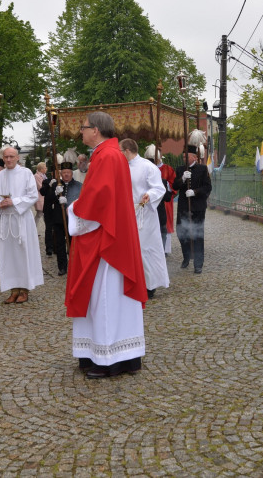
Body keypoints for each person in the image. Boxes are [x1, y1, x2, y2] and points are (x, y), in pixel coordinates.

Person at [66, 111, 146, 379]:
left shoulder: (107, 156)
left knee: (106, 297)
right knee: (106, 297)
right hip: (112, 235)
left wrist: (73, 209)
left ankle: (110, 357)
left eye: (83, 127)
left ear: (96, 130)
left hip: (107, 243)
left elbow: (98, 201)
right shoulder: (109, 153)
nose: (81, 131)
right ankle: (104, 353)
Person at [0, 146, 44, 304]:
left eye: (11, 156)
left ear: (18, 157)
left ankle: (24, 290)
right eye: (6, 157)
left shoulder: (26, 173)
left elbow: (33, 195)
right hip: (6, 220)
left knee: (23, 254)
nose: (8, 160)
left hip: (22, 220)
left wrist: (14, 201)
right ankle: (13, 290)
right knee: (9, 256)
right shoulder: (0, 176)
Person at [122, 139, 168, 298]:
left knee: (145, 249)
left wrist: (150, 195)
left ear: (127, 150)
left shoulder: (148, 167)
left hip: (144, 213)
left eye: (121, 151)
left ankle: (150, 285)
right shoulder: (121, 167)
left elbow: (159, 188)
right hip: (126, 213)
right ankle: (132, 283)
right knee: (128, 250)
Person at [173, 133, 212, 274]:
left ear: (194, 157)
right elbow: (175, 186)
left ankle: (198, 263)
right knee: (182, 233)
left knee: (197, 234)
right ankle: (186, 257)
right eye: (183, 156)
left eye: (186, 156)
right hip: (184, 207)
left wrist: (194, 192)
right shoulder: (180, 169)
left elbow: (208, 187)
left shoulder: (202, 169)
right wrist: (182, 179)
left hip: (198, 207)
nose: (184, 158)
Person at [40, 157, 81, 276]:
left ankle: (75, 265)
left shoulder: (78, 185)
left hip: (73, 220)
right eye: (64, 173)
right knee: (60, 245)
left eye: (68, 172)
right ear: (61, 174)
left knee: (74, 244)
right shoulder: (56, 184)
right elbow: (48, 199)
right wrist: (55, 193)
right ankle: (62, 266)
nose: (66, 175)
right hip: (59, 219)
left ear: (72, 173)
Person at [145, 145, 175, 255]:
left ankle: (163, 250)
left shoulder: (167, 169)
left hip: (162, 206)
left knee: (162, 229)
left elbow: (171, 190)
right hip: (150, 209)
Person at [34, 161, 48, 228]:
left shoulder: (44, 176)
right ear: (41, 169)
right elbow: (40, 186)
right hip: (40, 197)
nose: (46, 169)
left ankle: (48, 228)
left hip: (43, 197)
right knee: (40, 214)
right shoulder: (37, 176)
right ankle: (33, 228)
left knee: (42, 214)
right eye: (45, 168)